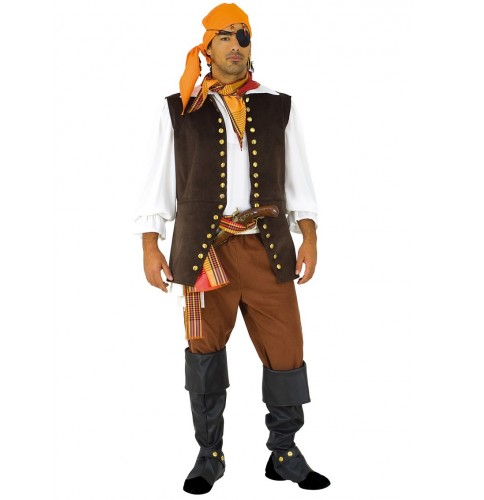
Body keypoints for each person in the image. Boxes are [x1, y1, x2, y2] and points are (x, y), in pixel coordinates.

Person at [134, 3, 330, 494]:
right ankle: (209, 455)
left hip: (269, 250)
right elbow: (157, 181)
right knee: (204, 353)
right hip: (206, 253)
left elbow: (298, 177)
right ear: (207, 47)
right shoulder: (179, 108)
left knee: (287, 351)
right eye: (225, 37)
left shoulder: (278, 104)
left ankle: (284, 452)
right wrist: (150, 244)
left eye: (243, 37)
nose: (236, 46)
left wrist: (309, 234)